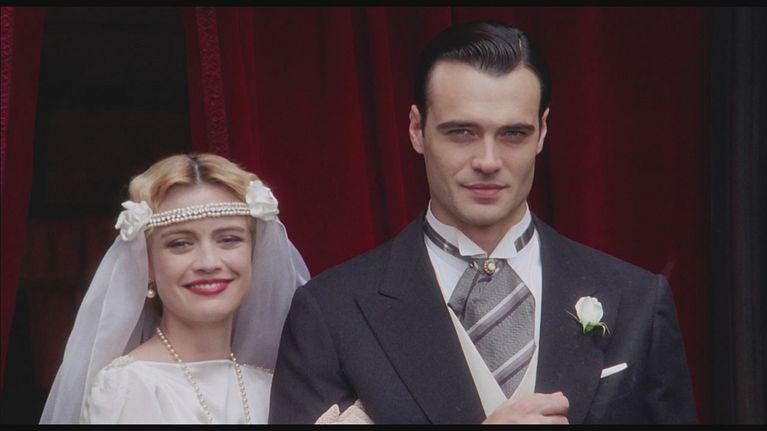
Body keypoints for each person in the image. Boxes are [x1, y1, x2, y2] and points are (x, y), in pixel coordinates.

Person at [269, 21, 697, 424]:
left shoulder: (638, 300)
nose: (488, 161)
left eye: (513, 134)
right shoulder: (331, 313)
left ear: (542, 131)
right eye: (461, 132)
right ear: (417, 130)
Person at [39, 153, 309, 424]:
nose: (208, 263)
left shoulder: (272, 387)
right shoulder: (129, 388)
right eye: (180, 244)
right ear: (147, 264)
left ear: (254, 254)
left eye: (229, 239)